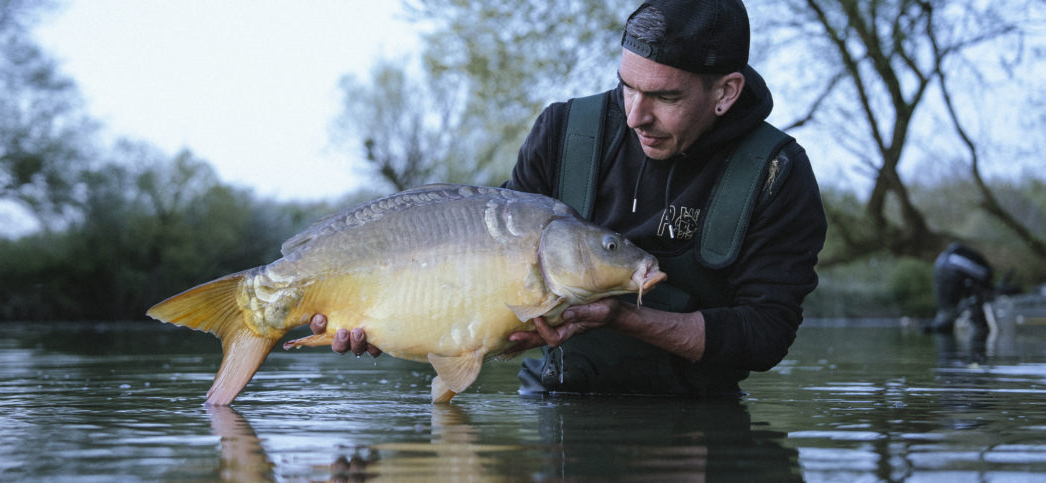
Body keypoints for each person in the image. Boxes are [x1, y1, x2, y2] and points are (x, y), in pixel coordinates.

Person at [311, 0, 827, 398]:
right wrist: (389, 317)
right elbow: (481, 277)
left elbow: (766, 334)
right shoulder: (565, 131)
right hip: (551, 408)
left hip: (700, 426)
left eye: (665, 98)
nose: (635, 117)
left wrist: (625, 317)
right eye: (627, 87)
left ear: (726, 92)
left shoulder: (777, 173)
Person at [924, 242, 994, 336]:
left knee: (946, 316)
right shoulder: (954, 258)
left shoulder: (945, 258)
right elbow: (982, 274)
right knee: (947, 317)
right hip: (951, 296)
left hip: (948, 298)